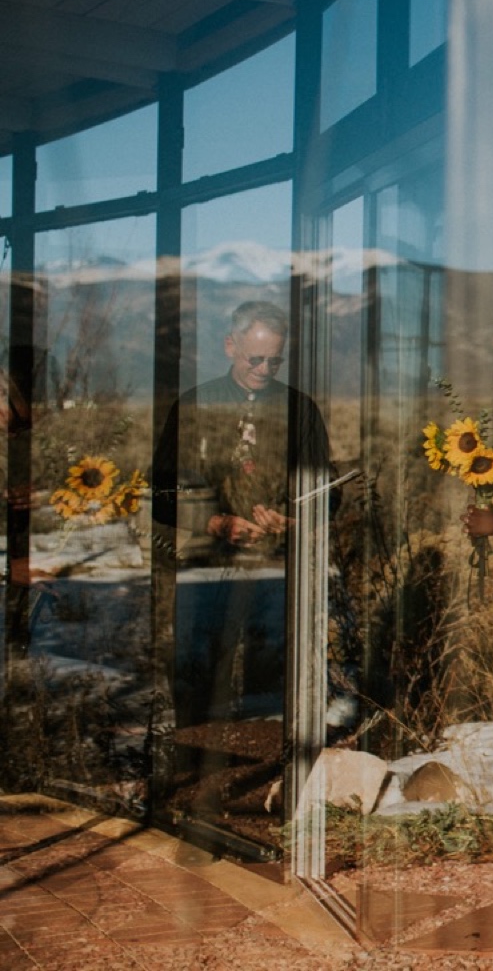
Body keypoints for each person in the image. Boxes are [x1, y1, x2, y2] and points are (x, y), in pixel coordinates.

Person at [153, 299, 338, 727]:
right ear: (230, 346)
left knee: (271, 682)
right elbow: (162, 491)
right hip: (205, 569)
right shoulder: (195, 406)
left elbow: (327, 491)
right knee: (196, 676)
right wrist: (214, 522)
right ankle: (196, 776)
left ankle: (262, 779)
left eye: (276, 360)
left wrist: (296, 519)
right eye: (256, 358)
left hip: (276, 573)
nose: (265, 368)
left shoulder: (301, 410)